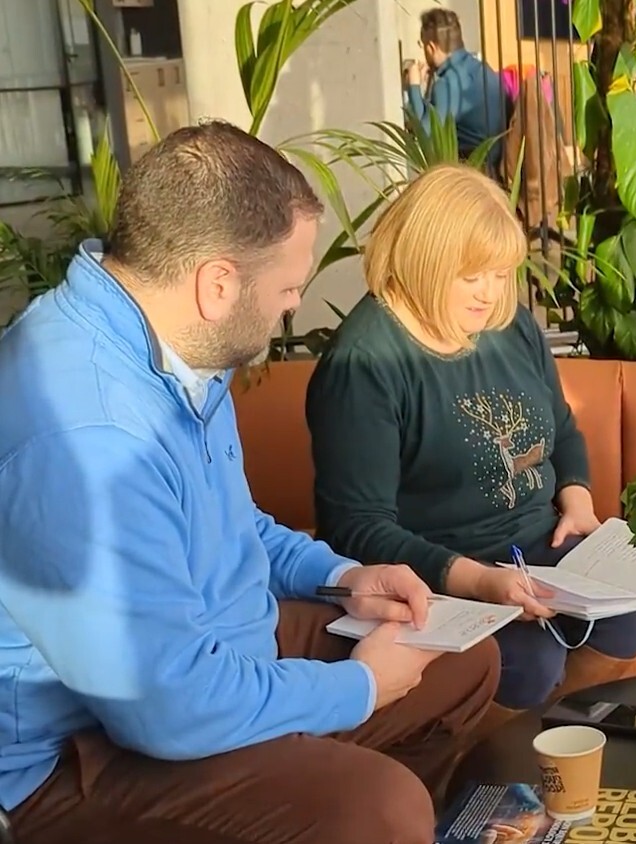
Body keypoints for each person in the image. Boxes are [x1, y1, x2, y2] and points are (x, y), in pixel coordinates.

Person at [0, 121, 500, 844]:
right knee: (383, 809)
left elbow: (236, 526)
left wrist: (344, 577)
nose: (293, 306)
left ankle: (306, 786)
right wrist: (358, 688)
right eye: (289, 286)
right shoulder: (91, 437)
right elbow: (166, 705)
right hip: (79, 749)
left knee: (460, 653)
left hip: (218, 648)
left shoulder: (179, 349)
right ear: (218, 284)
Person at [306, 163, 636, 711]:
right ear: (427, 260)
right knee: (528, 661)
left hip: (539, 547)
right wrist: (477, 581)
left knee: (633, 609)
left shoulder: (508, 324)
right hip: (437, 569)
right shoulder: (364, 364)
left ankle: (560, 735)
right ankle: (496, 758)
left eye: (501, 274)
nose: (491, 294)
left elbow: (562, 427)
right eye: (474, 276)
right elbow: (357, 528)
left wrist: (577, 501)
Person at [407, 9, 508, 174]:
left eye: (423, 45)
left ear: (431, 47)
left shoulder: (448, 83)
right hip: (498, 169)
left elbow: (423, 136)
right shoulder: (482, 69)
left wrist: (413, 86)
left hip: (471, 174)